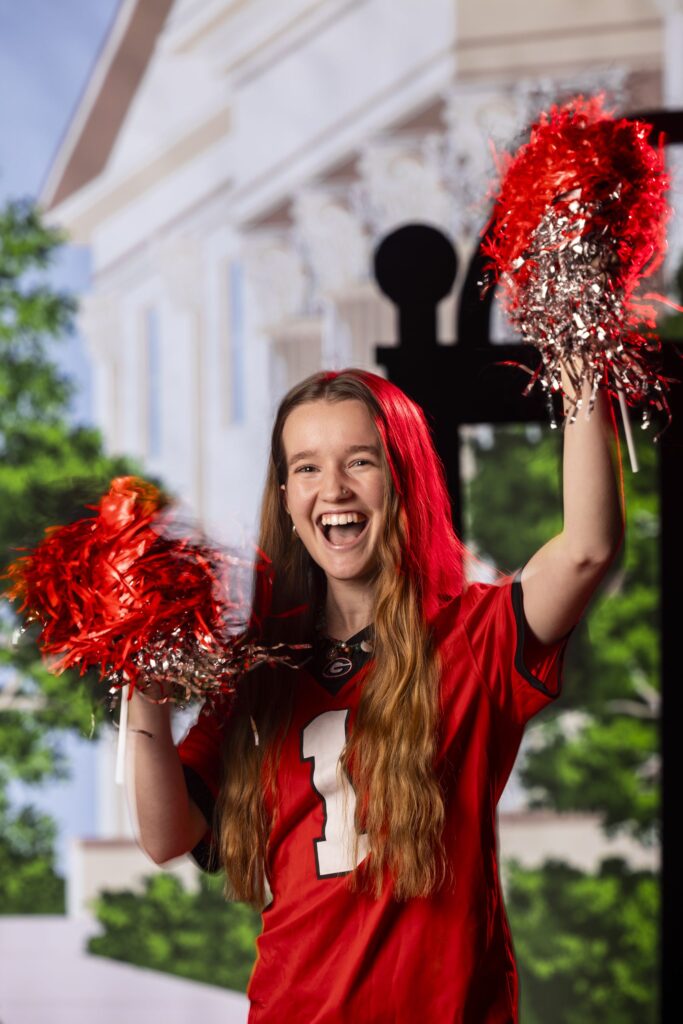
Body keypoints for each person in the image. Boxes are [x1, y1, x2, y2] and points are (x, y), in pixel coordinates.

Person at [127, 365, 623, 1023]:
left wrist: (580, 365)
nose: (331, 487)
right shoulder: (256, 673)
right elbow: (166, 837)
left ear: (402, 478)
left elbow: (587, 550)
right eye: (306, 468)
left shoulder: (474, 636)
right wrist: (141, 686)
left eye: (359, 461)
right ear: (283, 498)